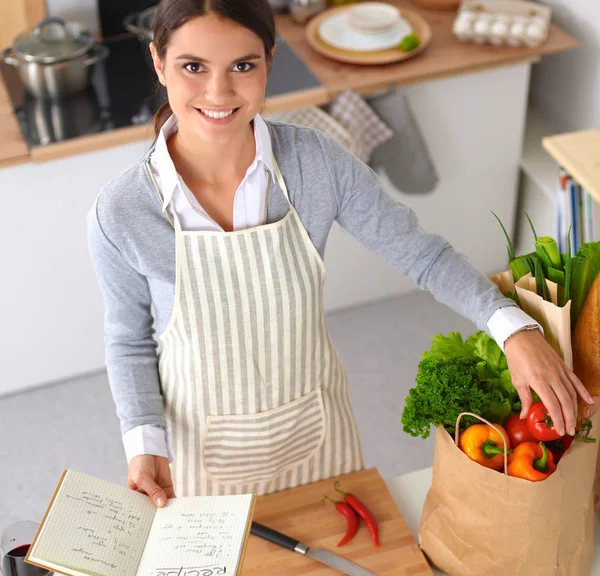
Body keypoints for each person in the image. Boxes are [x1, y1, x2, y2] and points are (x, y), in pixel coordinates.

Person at [87, 0, 593, 508]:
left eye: (243, 66)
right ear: (158, 62)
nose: (218, 93)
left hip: (317, 433)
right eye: (193, 66)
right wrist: (143, 441)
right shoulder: (122, 210)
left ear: (269, 61)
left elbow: (423, 255)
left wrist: (513, 329)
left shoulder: (316, 163)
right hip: (197, 452)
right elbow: (128, 340)